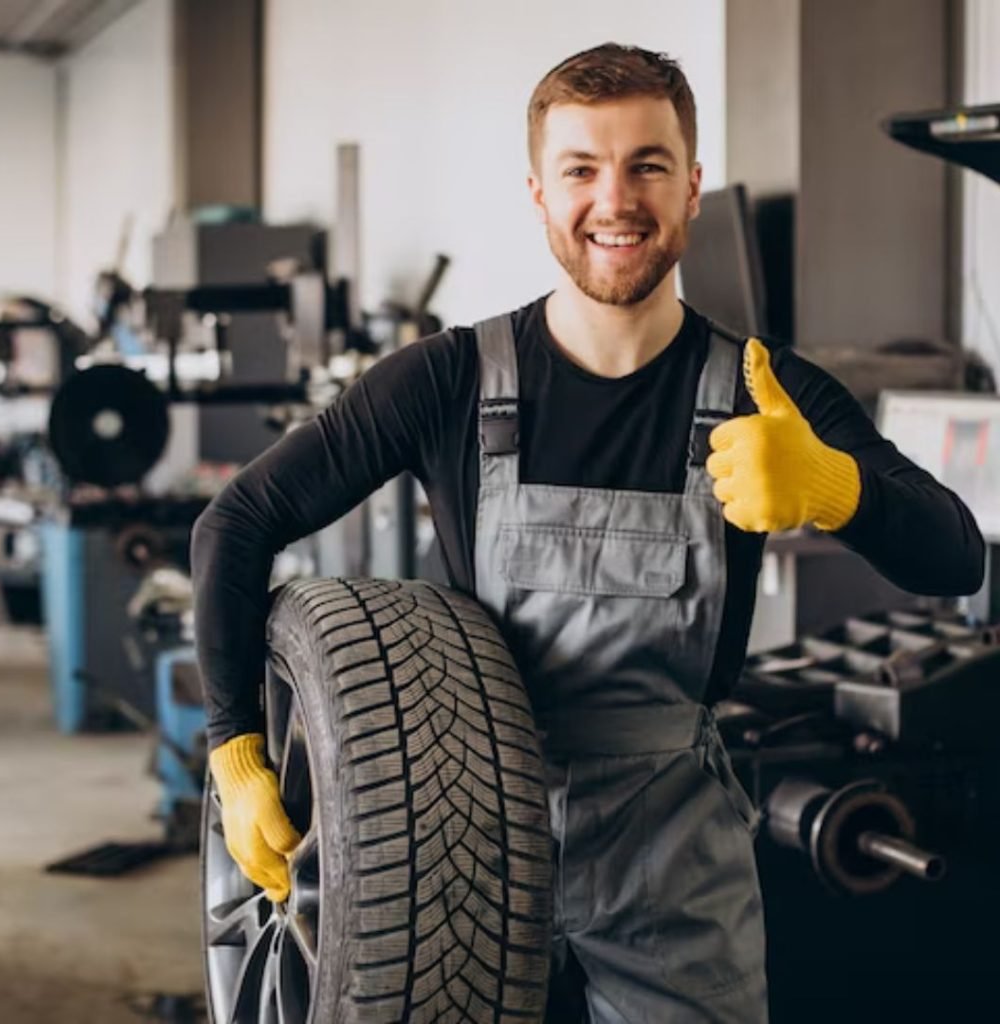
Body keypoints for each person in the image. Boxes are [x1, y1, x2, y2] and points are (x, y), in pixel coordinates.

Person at [192, 43, 985, 1023]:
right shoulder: (445, 380)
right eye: (581, 169)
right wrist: (234, 752)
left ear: (691, 188)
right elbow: (237, 522)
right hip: (452, 843)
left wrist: (834, 485)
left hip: (672, 863)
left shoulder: (766, 390)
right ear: (538, 194)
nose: (615, 200)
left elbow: (954, 553)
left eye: (647, 165)